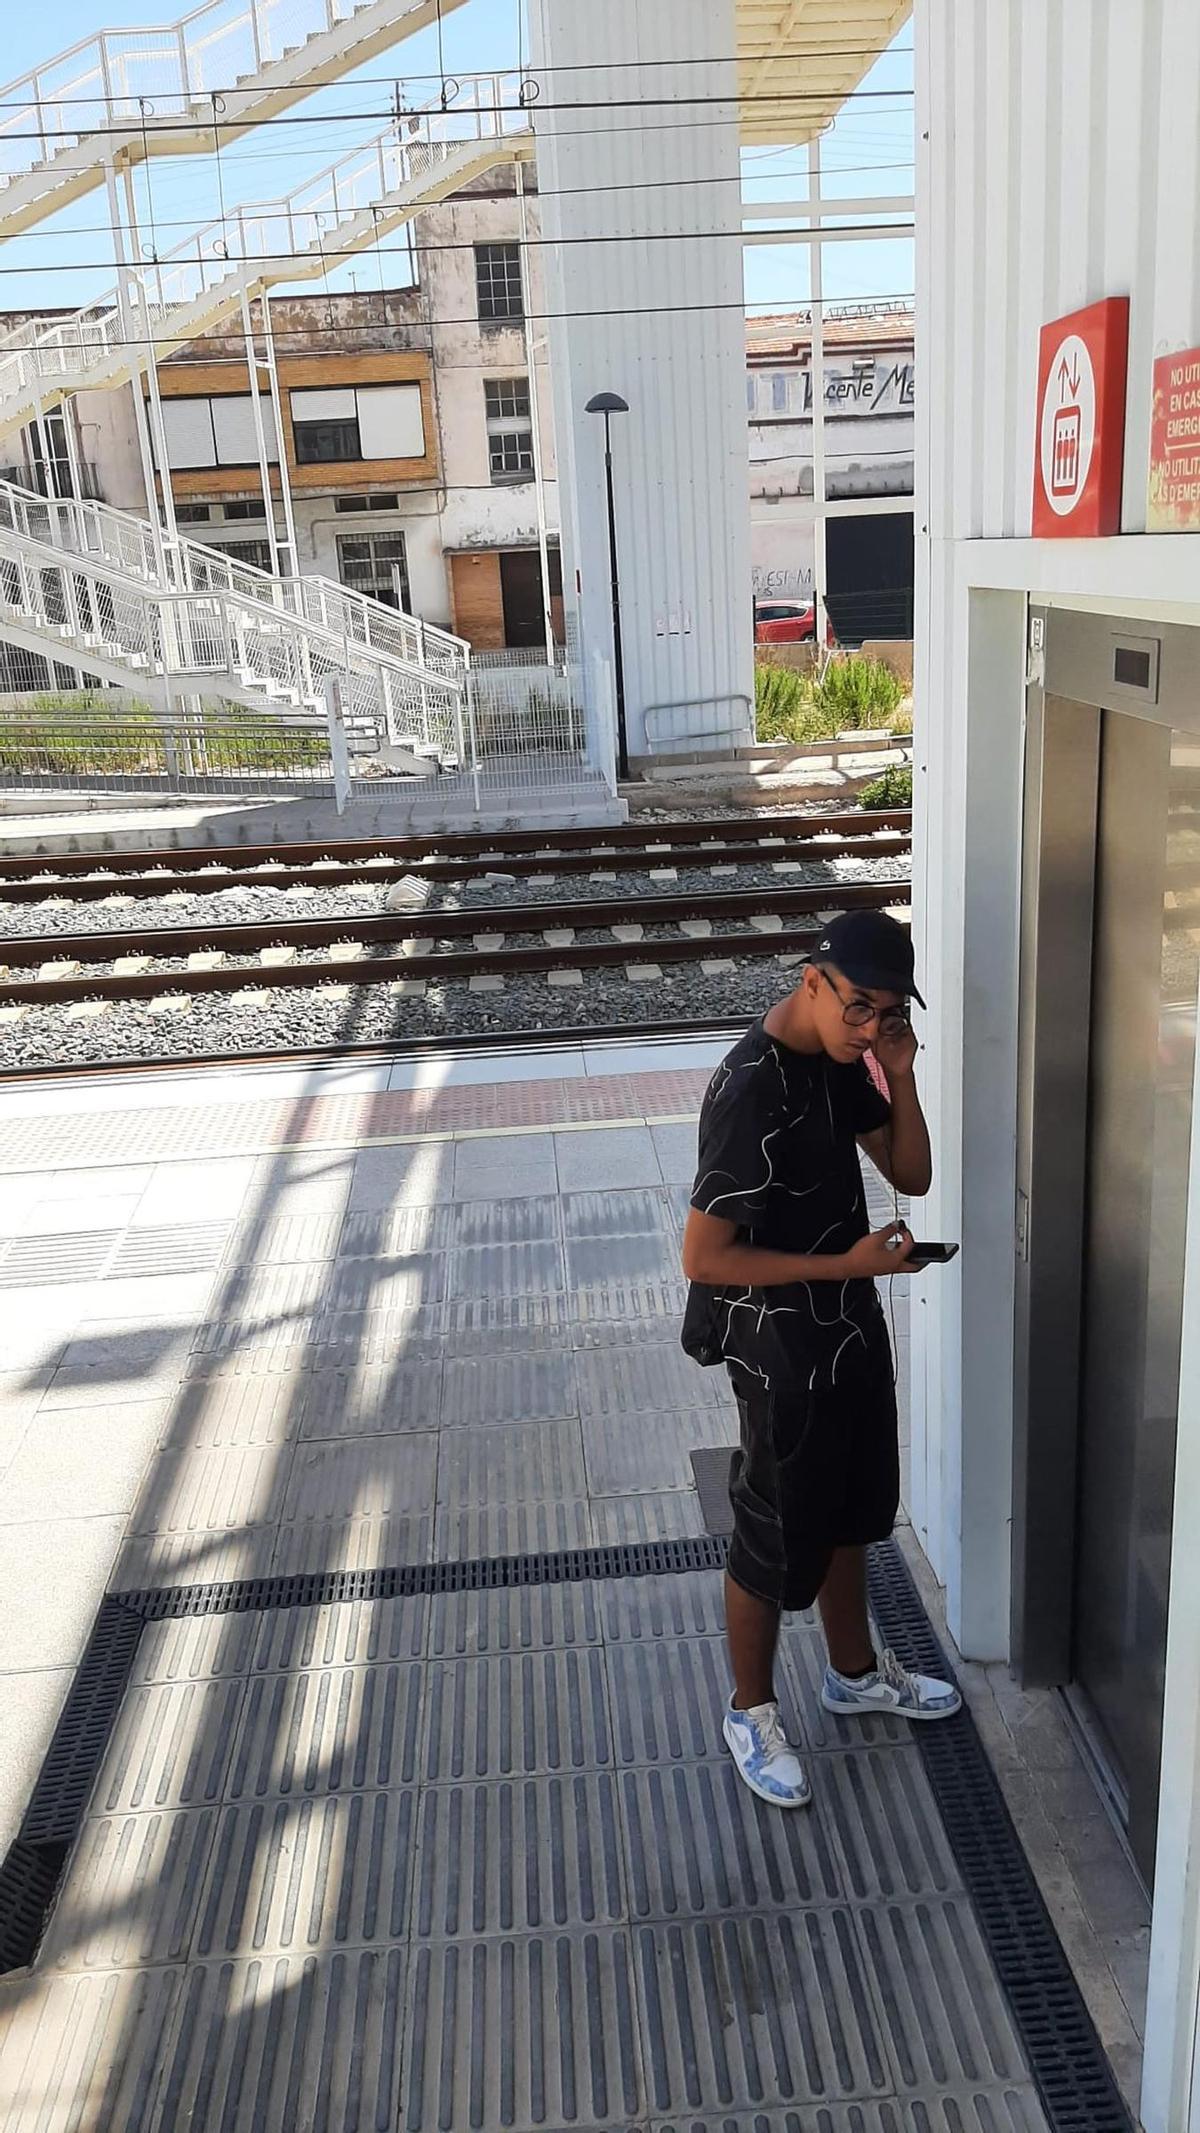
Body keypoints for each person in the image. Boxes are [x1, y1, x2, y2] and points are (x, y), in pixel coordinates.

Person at [681, 909, 960, 1809]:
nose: (870, 1025)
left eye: (887, 1012)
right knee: (772, 1522)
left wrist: (902, 1073)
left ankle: (853, 1672)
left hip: (846, 1322)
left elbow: (910, 1174)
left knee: (852, 1505)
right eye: (859, 1007)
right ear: (812, 979)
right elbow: (704, 1257)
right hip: (774, 1343)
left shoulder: (848, 1063)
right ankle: (748, 1710)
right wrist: (847, 1262)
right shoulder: (750, 1087)